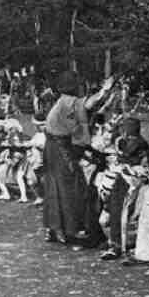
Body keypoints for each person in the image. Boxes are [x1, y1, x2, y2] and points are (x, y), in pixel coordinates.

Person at [43, 71, 114, 245]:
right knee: (70, 187)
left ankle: (57, 228)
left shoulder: (63, 101)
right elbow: (89, 105)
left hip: (56, 148)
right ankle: (69, 229)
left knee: (58, 187)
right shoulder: (68, 102)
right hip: (60, 150)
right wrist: (105, 90)